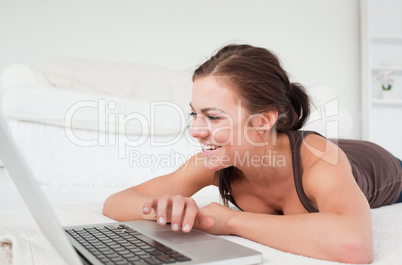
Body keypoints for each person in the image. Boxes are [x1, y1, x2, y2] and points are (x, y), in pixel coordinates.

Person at [103, 44, 402, 264]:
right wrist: (167, 211)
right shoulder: (217, 162)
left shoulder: (318, 158)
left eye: (214, 117)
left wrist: (230, 222)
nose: (195, 131)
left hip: (385, 166)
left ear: (262, 121)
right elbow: (116, 202)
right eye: (194, 114)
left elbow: (354, 245)